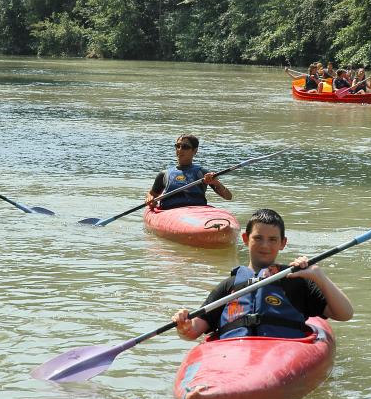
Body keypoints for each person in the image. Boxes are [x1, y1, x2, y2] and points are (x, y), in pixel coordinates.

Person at [172, 208, 353, 340]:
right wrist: (184, 326)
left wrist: (318, 275)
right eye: (258, 238)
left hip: (281, 353)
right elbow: (194, 331)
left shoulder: (296, 281)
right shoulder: (230, 285)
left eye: (273, 240)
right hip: (234, 354)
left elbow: (345, 314)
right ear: (245, 239)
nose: (265, 245)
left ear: (283, 243)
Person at [145, 134, 232, 210]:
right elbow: (151, 194)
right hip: (170, 212)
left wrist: (216, 183)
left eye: (185, 147)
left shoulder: (203, 173)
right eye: (178, 146)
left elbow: (228, 197)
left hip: (196, 211)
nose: (180, 150)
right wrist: (150, 199)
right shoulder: (164, 174)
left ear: (195, 151)